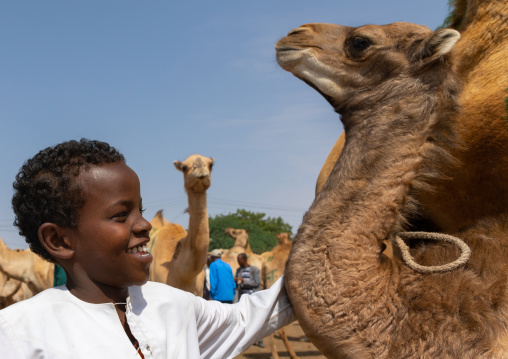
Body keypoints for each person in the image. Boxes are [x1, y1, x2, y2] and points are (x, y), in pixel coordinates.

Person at [0, 139, 295, 359]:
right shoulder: (18, 334)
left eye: (141, 211)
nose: (144, 226)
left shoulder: (173, 306)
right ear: (60, 240)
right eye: (120, 215)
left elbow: (257, 314)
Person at [235, 253, 264, 348]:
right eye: (237, 260)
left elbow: (257, 282)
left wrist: (243, 281)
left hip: (253, 298)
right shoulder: (238, 270)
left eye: (239, 260)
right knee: (246, 319)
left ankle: (260, 340)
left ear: (244, 259)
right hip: (243, 299)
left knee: (257, 318)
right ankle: (247, 340)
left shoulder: (255, 270)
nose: (238, 262)